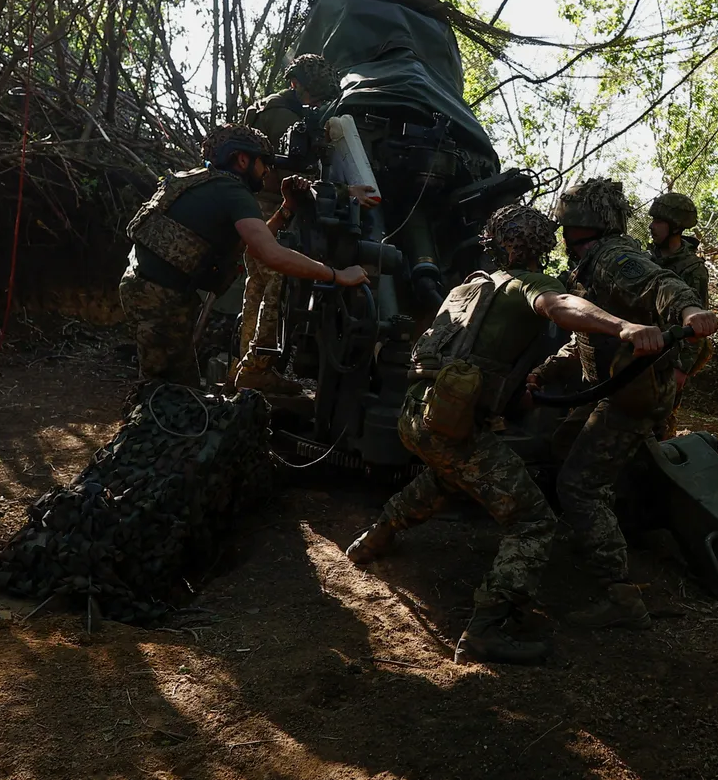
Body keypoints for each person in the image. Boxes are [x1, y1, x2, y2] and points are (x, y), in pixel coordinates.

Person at [344, 204, 665, 665]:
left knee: (451, 474)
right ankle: (487, 630)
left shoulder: (468, 285)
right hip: (451, 425)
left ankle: (375, 538)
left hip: (417, 413)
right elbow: (561, 307)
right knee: (533, 521)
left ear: (493, 245)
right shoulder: (527, 283)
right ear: (544, 247)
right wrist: (623, 325)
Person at [529, 178, 718, 631]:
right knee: (565, 444)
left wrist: (690, 313)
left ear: (581, 224)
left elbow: (660, 284)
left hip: (632, 392)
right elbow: (586, 338)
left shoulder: (614, 257)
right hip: (608, 388)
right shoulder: (590, 261)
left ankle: (618, 594)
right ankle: (598, 533)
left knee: (579, 485)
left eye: (565, 224)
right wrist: (546, 371)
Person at [118, 124, 369, 386]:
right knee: (163, 394)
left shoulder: (204, 180)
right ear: (242, 159)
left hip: (144, 287)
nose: (267, 172)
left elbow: (253, 244)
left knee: (177, 386)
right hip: (160, 298)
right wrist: (337, 275)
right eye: (264, 163)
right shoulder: (233, 191)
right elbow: (271, 254)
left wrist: (287, 209)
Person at [233, 55, 345, 394]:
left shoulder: (270, 108)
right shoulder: (286, 117)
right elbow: (293, 173)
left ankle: (244, 368)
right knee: (274, 287)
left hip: (256, 208)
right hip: (272, 208)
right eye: (318, 95)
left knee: (256, 289)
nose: (319, 104)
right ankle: (258, 369)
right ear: (299, 85)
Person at [648, 191, 711, 438]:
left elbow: (697, 325)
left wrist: (682, 369)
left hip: (670, 356)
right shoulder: (646, 259)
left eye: (658, 222)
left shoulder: (693, 270)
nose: (651, 227)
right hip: (642, 350)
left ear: (675, 227)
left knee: (660, 425)